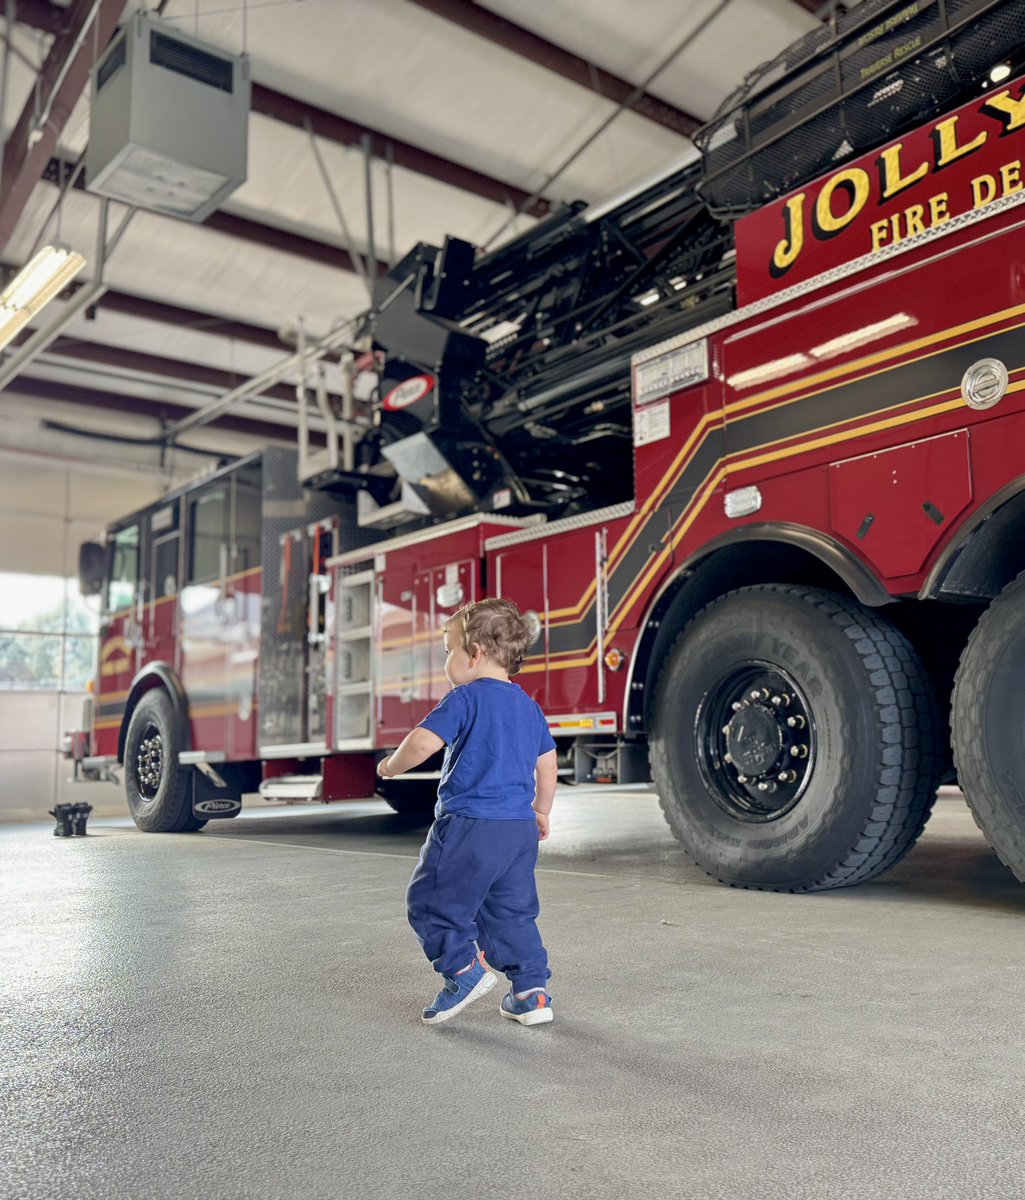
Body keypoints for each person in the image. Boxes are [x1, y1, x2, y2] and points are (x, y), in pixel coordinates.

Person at [377, 597, 558, 1027]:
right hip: (518, 831)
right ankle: (531, 992)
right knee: (510, 913)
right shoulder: (528, 706)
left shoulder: (464, 699)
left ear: (474, 653)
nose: (446, 661)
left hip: (470, 826)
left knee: (430, 902)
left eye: (448, 651)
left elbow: (423, 742)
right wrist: (542, 810)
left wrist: (390, 766)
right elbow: (547, 764)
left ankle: (462, 970)